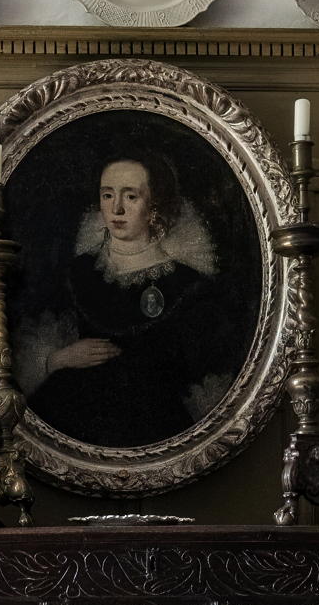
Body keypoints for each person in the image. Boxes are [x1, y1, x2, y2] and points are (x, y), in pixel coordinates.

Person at [21, 147, 243, 446]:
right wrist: (60, 358)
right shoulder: (77, 272)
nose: (117, 209)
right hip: (72, 419)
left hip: (152, 425)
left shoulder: (187, 283)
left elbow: (201, 370)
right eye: (108, 195)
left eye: (131, 196)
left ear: (154, 206)